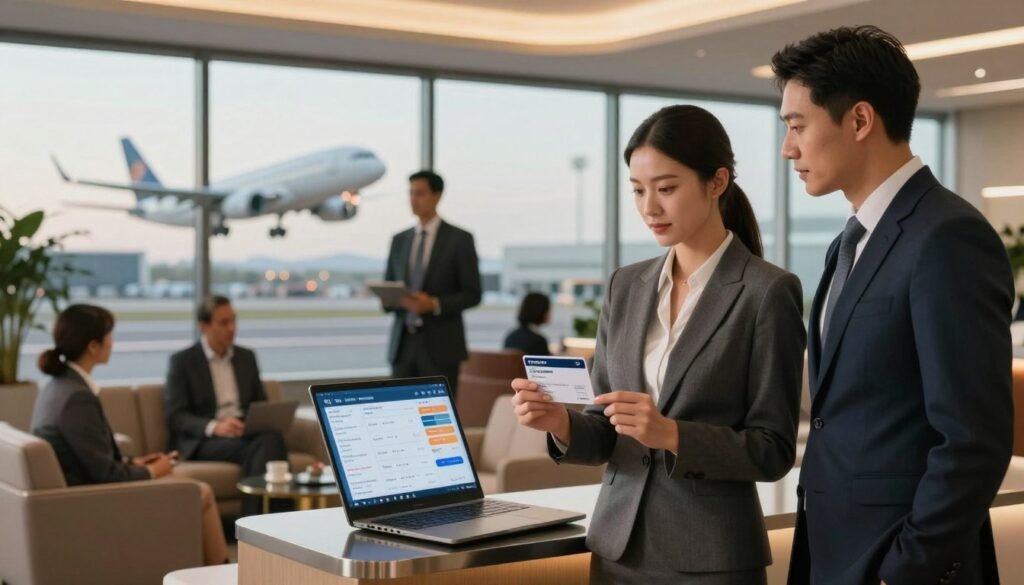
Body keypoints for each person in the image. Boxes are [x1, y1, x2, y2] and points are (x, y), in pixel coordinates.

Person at [511, 105, 806, 584]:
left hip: (712, 559)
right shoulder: (624, 287)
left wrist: (671, 434)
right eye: (638, 189)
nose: (649, 207)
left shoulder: (767, 291)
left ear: (717, 182)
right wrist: (560, 423)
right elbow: (606, 429)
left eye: (666, 188)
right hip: (619, 551)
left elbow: (773, 450)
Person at [772, 26, 1014, 585]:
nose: (788, 148)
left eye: (797, 125)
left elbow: (973, 440)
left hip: (899, 563)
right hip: (833, 549)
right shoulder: (848, 242)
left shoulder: (948, 236)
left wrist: (903, 569)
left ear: (860, 120)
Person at [31, 304, 228, 565]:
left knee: (181, 480)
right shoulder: (77, 398)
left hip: (82, 494)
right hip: (95, 502)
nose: (112, 342)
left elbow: (90, 459)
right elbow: (106, 476)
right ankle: (221, 571)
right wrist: (152, 471)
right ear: (93, 346)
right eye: (109, 335)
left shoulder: (58, 387)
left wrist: (134, 462)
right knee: (199, 492)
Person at [164, 296, 288, 515]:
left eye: (233, 321)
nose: (231, 328)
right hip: (207, 439)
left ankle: (258, 520)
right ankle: (263, 520)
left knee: (271, 438)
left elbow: (259, 403)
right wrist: (216, 426)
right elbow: (176, 415)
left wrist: (256, 421)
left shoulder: (246, 357)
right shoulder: (183, 361)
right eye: (223, 322)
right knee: (266, 445)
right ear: (203, 326)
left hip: (242, 432)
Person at [383, 170, 482, 396]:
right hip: (403, 346)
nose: (413, 199)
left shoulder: (460, 239)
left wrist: (434, 304)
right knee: (398, 409)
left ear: (437, 196)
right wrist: (394, 298)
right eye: (410, 193)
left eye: (420, 193)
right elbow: (389, 286)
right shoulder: (399, 240)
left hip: (442, 347)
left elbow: (473, 293)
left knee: (439, 411)